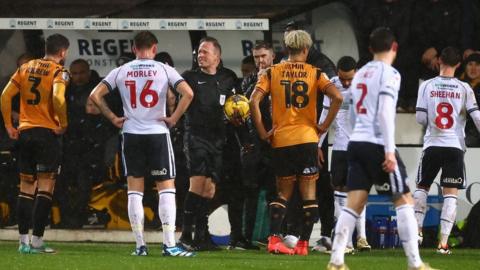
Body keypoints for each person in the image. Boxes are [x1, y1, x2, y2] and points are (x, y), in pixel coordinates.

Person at [327, 27, 435, 270]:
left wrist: (357, 135)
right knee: (404, 199)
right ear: (394, 48)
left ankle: (335, 261)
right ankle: (415, 263)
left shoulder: (361, 73)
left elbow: (352, 111)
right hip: (377, 144)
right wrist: (388, 150)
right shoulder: (390, 74)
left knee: (353, 202)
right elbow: (386, 112)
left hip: (355, 143)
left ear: (369, 49)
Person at [90, 31, 194, 257]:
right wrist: (174, 118)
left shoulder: (121, 71)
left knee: (134, 191)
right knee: (166, 188)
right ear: (154, 48)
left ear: (133, 48)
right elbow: (188, 93)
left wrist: (113, 117)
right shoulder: (164, 69)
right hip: (157, 133)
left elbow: (95, 95)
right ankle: (169, 245)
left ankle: (140, 246)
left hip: (131, 134)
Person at [250, 30, 342, 256]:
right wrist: (323, 127)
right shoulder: (315, 73)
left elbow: (253, 101)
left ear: (286, 49)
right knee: (310, 195)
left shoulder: (272, 72)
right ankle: (303, 244)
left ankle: (273, 240)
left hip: (282, 140)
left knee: (283, 193)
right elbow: (337, 97)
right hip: (307, 138)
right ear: (306, 49)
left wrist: (263, 132)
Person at [0, 34, 70, 254]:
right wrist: (63, 123)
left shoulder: (26, 66)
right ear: (62, 52)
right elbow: (58, 99)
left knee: (25, 189)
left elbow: (4, 96)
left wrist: (10, 127)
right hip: (47, 134)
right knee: (45, 189)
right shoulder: (59, 71)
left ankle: (22, 242)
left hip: (25, 133)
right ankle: (37, 241)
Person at [413, 47, 480, 255]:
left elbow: (420, 118)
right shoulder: (464, 88)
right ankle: (443, 243)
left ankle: (417, 232)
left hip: (433, 143)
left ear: (439, 61)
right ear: (459, 64)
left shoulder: (427, 85)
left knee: (422, 187)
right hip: (454, 146)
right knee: (450, 194)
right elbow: (477, 117)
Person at [178, 36, 238, 251]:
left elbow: (237, 103)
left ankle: (202, 236)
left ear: (217, 56)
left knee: (210, 190)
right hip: (195, 137)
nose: (200, 55)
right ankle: (185, 235)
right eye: (199, 52)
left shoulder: (229, 78)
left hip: (218, 140)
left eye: (205, 52)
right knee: (197, 184)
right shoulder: (189, 78)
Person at [283, 21, 337, 251]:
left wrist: (320, 135)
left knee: (319, 185)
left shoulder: (321, 65)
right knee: (294, 185)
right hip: (295, 134)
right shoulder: (285, 63)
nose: (289, 43)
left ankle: (323, 234)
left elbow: (331, 101)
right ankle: (294, 234)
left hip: (311, 136)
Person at [315, 56, 371, 253]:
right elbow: (324, 117)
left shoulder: (366, 85)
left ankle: (361, 237)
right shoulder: (331, 86)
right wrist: (318, 145)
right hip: (339, 147)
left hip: (360, 147)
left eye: (350, 79)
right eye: (343, 78)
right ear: (337, 73)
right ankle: (345, 240)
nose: (346, 83)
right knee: (338, 190)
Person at [227, 41, 277, 250]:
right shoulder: (247, 82)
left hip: (277, 143)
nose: (260, 61)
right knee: (250, 192)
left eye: (263, 56)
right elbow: (237, 110)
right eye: (256, 57)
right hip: (253, 145)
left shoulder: (281, 77)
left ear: (272, 56)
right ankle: (245, 238)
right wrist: (244, 141)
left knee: (278, 193)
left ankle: (276, 237)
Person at [459, 53, 480, 146]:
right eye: (470, 64)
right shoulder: (457, 85)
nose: (473, 68)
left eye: (477, 64)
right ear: (465, 67)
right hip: (462, 131)